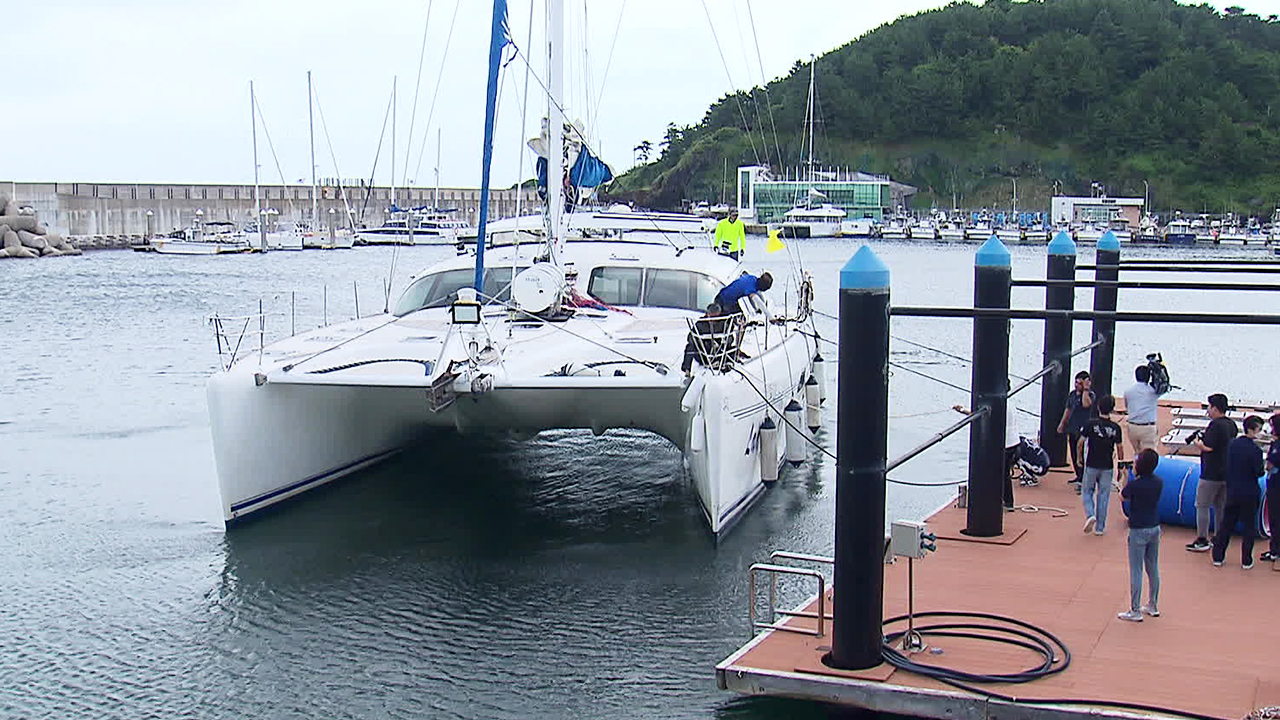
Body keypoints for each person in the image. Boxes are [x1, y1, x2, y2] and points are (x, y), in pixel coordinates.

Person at [1186, 393, 1238, 552]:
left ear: (1215, 408)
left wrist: (1197, 443)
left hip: (1211, 473)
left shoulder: (1215, 426)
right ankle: (1219, 537)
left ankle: (1202, 539)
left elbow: (1208, 447)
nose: (1208, 411)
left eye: (1209, 407)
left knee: (1202, 505)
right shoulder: (1231, 425)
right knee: (1220, 507)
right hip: (1226, 472)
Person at [1211, 415, 1265, 569]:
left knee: (1226, 524)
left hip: (1233, 490)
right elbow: (1259, 472)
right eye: (1259, 429)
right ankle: (1246, 560)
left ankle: (1218, 556)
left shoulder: (1232, 444)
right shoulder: (1255, 450)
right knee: (1249, 527)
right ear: (1253, 429)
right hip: (1250, 492)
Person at [1118, 449, 1163, 622]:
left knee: (1136, 569)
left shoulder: (1135, 485)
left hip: (1138, 529)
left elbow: (1123, 497)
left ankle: (1135, 610)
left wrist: (1124, 477)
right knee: (1153, 567)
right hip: (1154, 526)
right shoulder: (1158, 482)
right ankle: (1153, 604)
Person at [1079, 394, 1124, 536]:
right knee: (1103, 495)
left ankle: (1090, 514)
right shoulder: (1116, 428)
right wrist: (1120, 465)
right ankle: (1100, 527)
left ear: (1098, 407)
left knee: (1087, 491)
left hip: (1092, 463)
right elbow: (1120, 447)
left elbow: (1080, 443)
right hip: (1107, 465)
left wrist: (1079, 458)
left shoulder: (1090, 424)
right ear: (1112, 409)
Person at [1057, 371, 1095, 487]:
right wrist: (1062, 424)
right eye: (1076, 382)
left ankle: (1084, 478)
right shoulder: (1072, 394)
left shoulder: (1090, 395)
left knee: (1082, 454)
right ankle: (1078, 475)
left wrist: (1085, 390)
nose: (1076, 385)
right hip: (1072, 427)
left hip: (1083, 429)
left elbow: (1085, 404)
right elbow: (1067, 410)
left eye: (1079, 383)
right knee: (1073, 452)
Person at [1123, 364, 1166, 454]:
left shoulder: (1128, 392)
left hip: (1132, 427)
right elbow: (1164, 386)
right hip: (1148, 428)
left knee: (1137, 454)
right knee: (1149, 456)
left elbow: (1127, 407)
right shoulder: (1153, 391)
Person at [681, 302, 726, 375]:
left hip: (718, 352)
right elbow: (690, 337)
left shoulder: (722, 323)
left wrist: (721, 341)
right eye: (711, 317)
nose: (713, 320)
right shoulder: (701, 323)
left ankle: (727, 365)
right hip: (704, 353)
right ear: (707, 314)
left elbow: (730, 338)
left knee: (731, 349)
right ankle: (687, 371)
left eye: (716, 318)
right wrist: (702, 341)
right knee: (690, 347)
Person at [1263, 414, 1280, 563]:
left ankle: (1276, 551)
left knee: (1275, 518)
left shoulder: (1277, 446)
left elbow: (1270, 465)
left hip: (1276, 485)